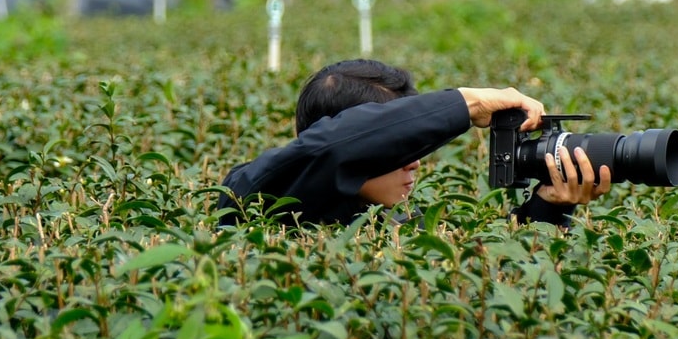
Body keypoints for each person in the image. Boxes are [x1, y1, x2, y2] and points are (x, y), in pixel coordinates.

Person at [216, 58, 612, 229]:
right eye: (398, 148)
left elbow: (487, 273)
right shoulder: (255, 196)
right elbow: (333, 146)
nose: (415, 163)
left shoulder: (398, 228)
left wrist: (550, 205)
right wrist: (466, 104)